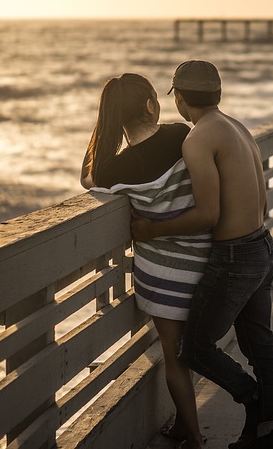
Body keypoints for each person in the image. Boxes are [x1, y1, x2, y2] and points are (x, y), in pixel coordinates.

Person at [131, 60, 273, 449]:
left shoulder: (198, 138)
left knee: (195, 349)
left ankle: (255, 402)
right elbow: (263, 200)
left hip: (235, 258)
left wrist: (152, 229)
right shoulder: (237, 127)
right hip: (263, 245)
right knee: (259, 347)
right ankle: (270, 433)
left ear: (180, 98)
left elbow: (208, 214)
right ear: (217, 94)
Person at [80, 73, 209, 449]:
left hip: (159, 273)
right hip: (201, 259)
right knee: (198, 346)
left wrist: (102, 136)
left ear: (114, 118)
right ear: (153, 105)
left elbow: (87, 179)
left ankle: (193, 435)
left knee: (174, 355)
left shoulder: (114, 170)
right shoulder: (180, 136)